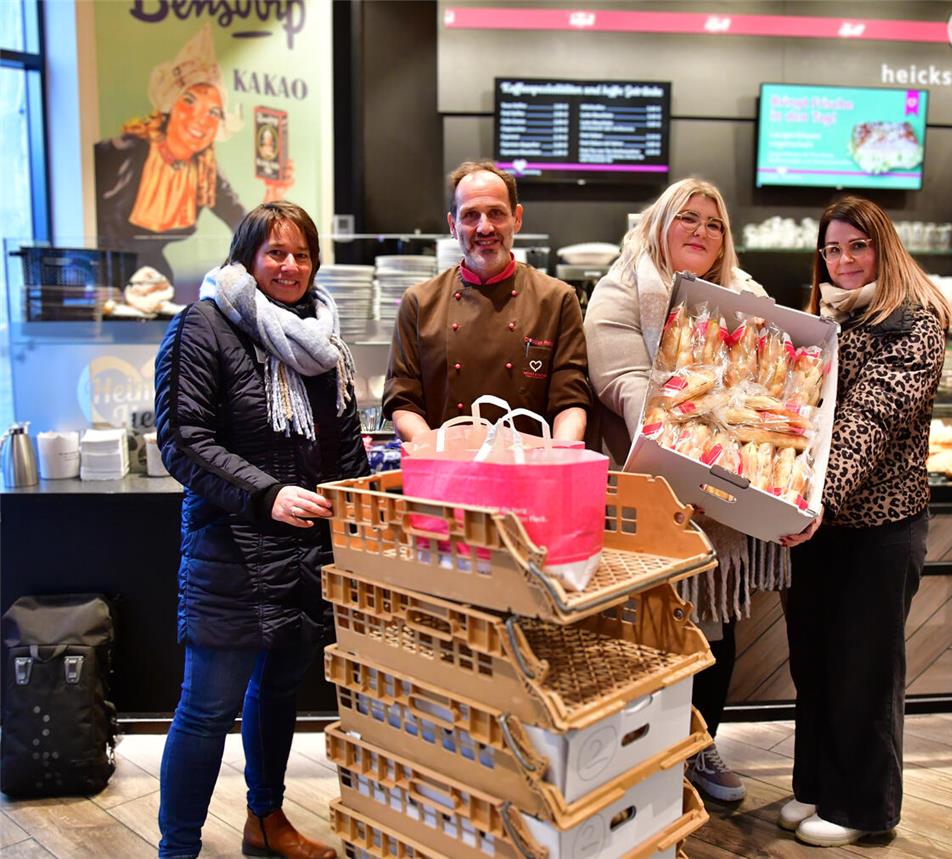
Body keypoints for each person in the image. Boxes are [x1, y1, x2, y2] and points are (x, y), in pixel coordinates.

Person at [154, 201, 369, 859]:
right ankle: (178, 846)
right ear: (248, 256)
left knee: (278, 693)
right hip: (233, 550)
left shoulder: (319, 341)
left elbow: (343, 445)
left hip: (305, 553)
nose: (290, 265)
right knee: (207, 708)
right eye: (275, 252)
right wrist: (267, 494)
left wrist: (362, 511)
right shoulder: (204, 324)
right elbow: (182, 440)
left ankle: (265, 821)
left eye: (302, 254)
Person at [583, 177, 789, 803]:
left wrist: (736, 445)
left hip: (723, 498)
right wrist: (700, 448)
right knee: (644, 631)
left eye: (714, 223)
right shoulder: (619, 290)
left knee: (710, 628)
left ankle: (699, 748)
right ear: (659, 224)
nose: (701, 232)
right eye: (688, 218)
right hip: (643, 491)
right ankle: (634, 761)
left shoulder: (748, 297)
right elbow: (624, 385)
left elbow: (777, 385)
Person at [777, 195, 952, 846]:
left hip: (878, 528)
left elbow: (868, 421)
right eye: (832, 249)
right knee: (816, 664)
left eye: (857, 246)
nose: (844, 260)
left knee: (864, 669)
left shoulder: (914, 321)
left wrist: (816, 497)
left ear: (884, 247)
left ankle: (863, 809)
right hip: (819, 526)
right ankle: (820, 786)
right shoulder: (830, 319)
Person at [383, 160, 591, 439]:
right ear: (452, 225)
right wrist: (434, 454)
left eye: (496, 213)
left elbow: (570, 401)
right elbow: (403, 402)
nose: (485, 228)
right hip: (445, 469)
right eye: (470, 215)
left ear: (516, 218)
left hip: (530, 470)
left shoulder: (557, 300)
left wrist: (559, 462)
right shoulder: (419, 302)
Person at [95, 25, 292, 287]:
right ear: (170, 106)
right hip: (105, 278)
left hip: (157, 283)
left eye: (213, 113)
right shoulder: (122, 153)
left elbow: (245, 229)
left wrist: (273, 194)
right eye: (189, 102)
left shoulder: (206, 170)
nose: (200, 120)